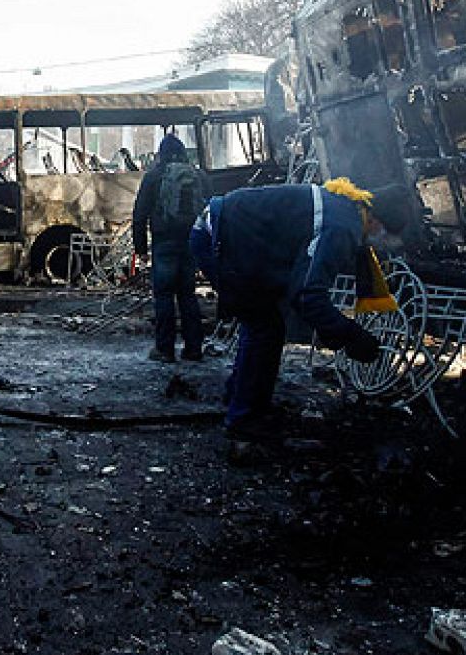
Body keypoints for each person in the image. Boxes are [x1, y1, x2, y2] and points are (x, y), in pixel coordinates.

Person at [190, 178, 413, 465]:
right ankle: (243, 421)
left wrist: (335, 332)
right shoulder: (341, 227)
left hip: (218, 230)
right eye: (386, 236)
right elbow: (308, 295)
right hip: (218, 237)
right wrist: (350, 336)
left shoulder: (345, 208)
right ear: (375, 221)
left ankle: (241, 400)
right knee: (264, 328)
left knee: (264, 325)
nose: (382, 243)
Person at [131, 133, 209, 363]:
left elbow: (139, 215)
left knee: (164, 295)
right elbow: (210, 212)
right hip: (191, 242)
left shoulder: (154, 176)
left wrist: (141, 249)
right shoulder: (199, 176)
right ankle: (194, 349)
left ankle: (165, 350)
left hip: (164, 241)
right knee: (187, 294)